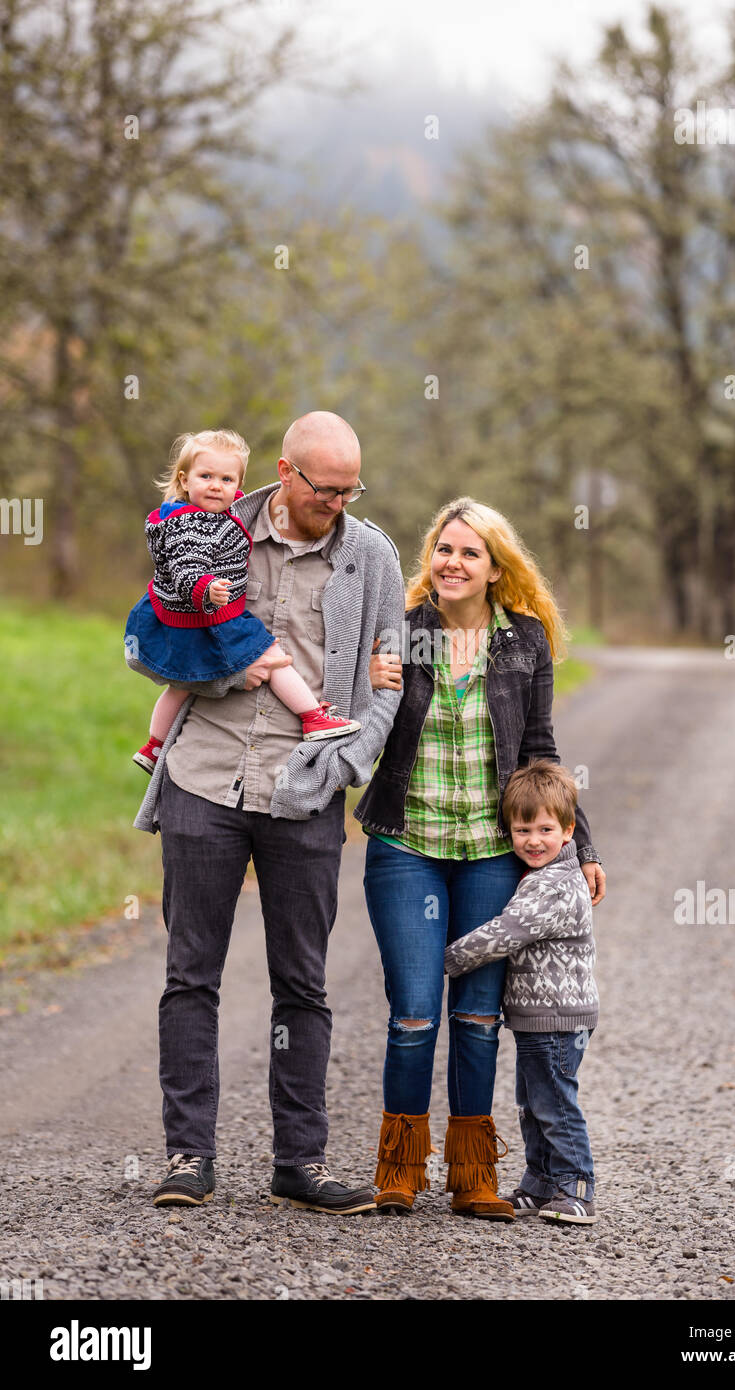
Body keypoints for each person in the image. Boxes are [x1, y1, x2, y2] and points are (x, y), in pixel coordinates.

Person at [128, 411, 405, 1214]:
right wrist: (223, 680)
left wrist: (350, 759)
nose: (339, 502)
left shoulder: (372, 557)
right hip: (205, 778)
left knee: (303, 984)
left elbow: (389, 677)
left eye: (351, 489)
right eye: (326, 488)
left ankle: (301, 1162)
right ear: (283, 473)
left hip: (306, 788)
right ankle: (188, 1157)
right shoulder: (207, 529)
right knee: (190, 976)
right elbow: (152, 646)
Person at [356, 497, 606, 1220]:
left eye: (469, 553)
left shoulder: (523, 641)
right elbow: (359, 724)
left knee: (475, 1017)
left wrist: (578, 844)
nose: (452, 563)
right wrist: (369, 687)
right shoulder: (399, 635)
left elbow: (541, 753)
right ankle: (398, 1170)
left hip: (494, 853)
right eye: (442, 549)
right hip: (408, 845)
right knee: (412, 1015)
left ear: (496, 568)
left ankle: (473, 1178)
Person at [125, 428, 358, 775]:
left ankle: (154, 745)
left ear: (238, 485)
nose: (217, 486)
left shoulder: (206, 515)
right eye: (206, 477)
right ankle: (312, 717)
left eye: (227, 479)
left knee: (179, 687)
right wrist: (204, 589)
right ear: (184, 480)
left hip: (193, 616)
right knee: (274, 658)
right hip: (210, 615)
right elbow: (186, 564)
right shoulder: (191, 523)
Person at [444, 760, 599, 1225]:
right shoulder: (538, 875)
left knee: (553, 1102)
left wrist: (445, 958)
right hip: (537, 1017)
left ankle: (576, 1186)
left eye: (545, 829)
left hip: (559, 1015)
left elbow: (507, 932)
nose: (533, 840)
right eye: (522, 829)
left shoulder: (554, 884)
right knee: (532, 1103)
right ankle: (538, 1183)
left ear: (569, 831)